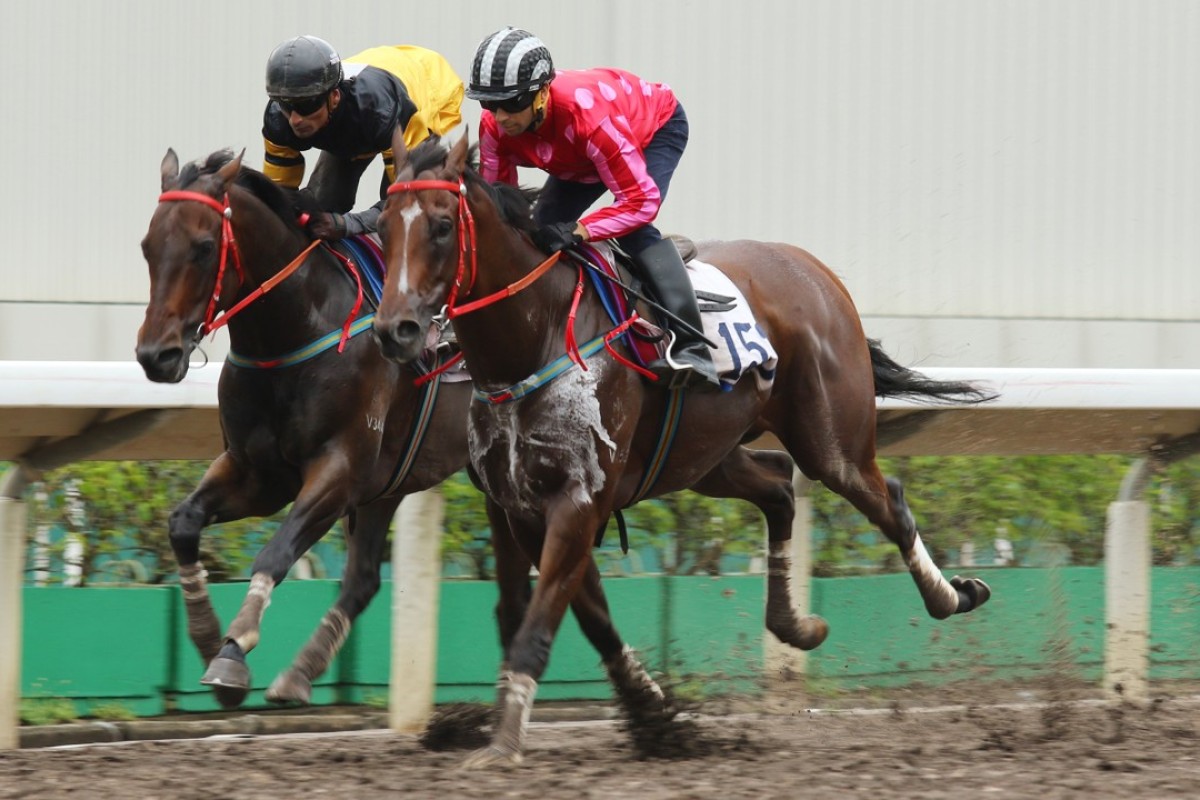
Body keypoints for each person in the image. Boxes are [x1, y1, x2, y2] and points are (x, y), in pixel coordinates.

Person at [466, 27, 719, 390]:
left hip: (652, 130)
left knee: (631, 229)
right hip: (578, 159)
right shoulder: (494, 125)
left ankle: (693, 345)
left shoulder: (587, 117)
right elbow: (500, 208)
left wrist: (581, 230)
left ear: (540, 93)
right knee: (536, 237)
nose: (500, 115)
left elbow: (640, 202)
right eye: (489, 103)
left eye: (512, 102)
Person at [262, 35, 464, 239]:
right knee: (323, 203)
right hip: (360, 110)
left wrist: (346, 224)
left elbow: (406, 202)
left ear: (334, 97)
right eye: (286, 105)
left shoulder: (382, 113)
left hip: (422, 87)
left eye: (307, 105)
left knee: (403, 215)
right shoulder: (277, 119)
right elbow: (279, 197)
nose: (295, 119)